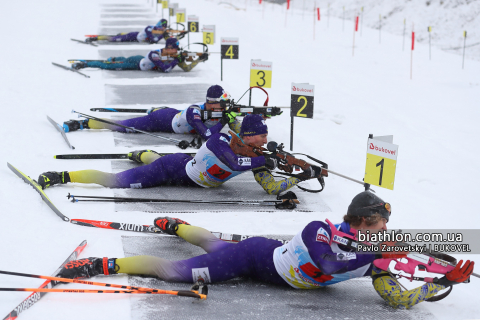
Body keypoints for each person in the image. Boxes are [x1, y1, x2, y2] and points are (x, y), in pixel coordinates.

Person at [57, 191, 474, 309]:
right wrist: (377, 256)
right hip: (256, 258)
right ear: (365, 222)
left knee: (210, 240)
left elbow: (398, 299)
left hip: (273, 260)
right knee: (177, 272)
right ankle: (101, 263)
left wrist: (438, 282)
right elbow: (327, 265)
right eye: (382, 224)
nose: (388, 230)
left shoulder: (374, 252)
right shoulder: (320, 229)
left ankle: (177, 225)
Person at [38, 114, 319, 195]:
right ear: (247, 135)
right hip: (172, 171)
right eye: (262, 136)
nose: (265, 141)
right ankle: (60, 176)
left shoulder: (254, 152)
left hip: (188, 167)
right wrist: (265, 160)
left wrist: (302, 175)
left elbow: (272, 187)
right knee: (117, 182)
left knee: (153, 159)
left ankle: (142, 153)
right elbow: (234, 162)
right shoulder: (221, 140)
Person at [62, 85, 241, 141]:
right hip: (161, 120)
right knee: (122, 126)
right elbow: (207, 134)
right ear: (212, 103)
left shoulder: (213, 111)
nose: (224, 107)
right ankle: (82, 123)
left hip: (173, 113)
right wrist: (224, 120)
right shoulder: (195, 112)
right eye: (222, 104)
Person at [71, 38, 207, 72]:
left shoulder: (173, 56)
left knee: (117, 60)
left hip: (139, 59)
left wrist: (198, 59)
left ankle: (112, 59)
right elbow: (164, 69)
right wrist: (176, 60)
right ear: (169, 48)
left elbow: (187, 68)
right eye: (175, 49)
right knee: (109, 67)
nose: (176, 51)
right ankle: (84, 64)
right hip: (136, 63)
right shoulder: (155, 54)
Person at [86, 19, 171, 44]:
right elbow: (153, 40)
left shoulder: (159, 31)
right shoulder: (150, 28)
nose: (162, 30)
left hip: (137, 36)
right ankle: (96, 38)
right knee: (113, 39)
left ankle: (121, 34)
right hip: (134, 36)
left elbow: (169, 41)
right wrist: (162, 35)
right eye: (161, 28)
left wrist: (166, 35)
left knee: (120, 36)